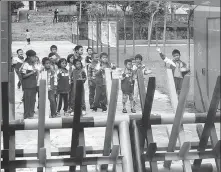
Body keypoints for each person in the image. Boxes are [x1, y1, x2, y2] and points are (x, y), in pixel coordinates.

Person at [20, 50, 38, 119]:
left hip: (33, 85)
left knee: (33, 100)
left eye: (35, 56)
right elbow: (23, 76)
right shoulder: (25, 64)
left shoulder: (33, 64)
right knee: (27, 100)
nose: (34, 58)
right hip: (27, 86)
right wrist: (31, 73)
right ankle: (26, 115)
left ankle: (31, 114)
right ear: (29, 57)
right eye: (33, 56)